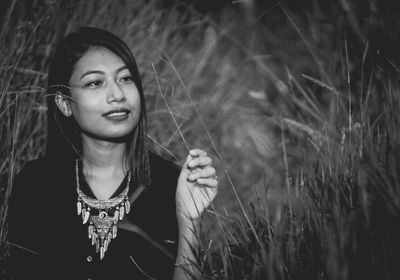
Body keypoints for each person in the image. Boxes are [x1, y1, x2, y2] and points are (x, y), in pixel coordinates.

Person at [7, 26, 218, 280]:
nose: (117, 94)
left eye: (125, 79)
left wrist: (190, 222)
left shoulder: (170, 185)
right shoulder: (36, 184)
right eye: (95, 83)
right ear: (64, 104)